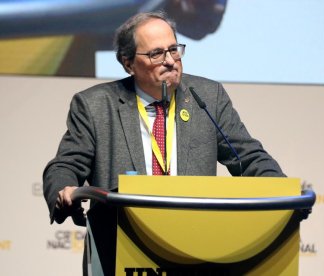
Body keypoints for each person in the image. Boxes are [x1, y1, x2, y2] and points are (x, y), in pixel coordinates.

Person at [43, 11, 285, 275]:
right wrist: (63, 191)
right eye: (156, 54)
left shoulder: (207, 98)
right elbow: (64, 166)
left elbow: (249, 157)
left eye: (174, 49)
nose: (170, 61)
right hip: (120, 248)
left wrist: (285, 196)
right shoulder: (95, 105)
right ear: (128, 63)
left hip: (195, 248)